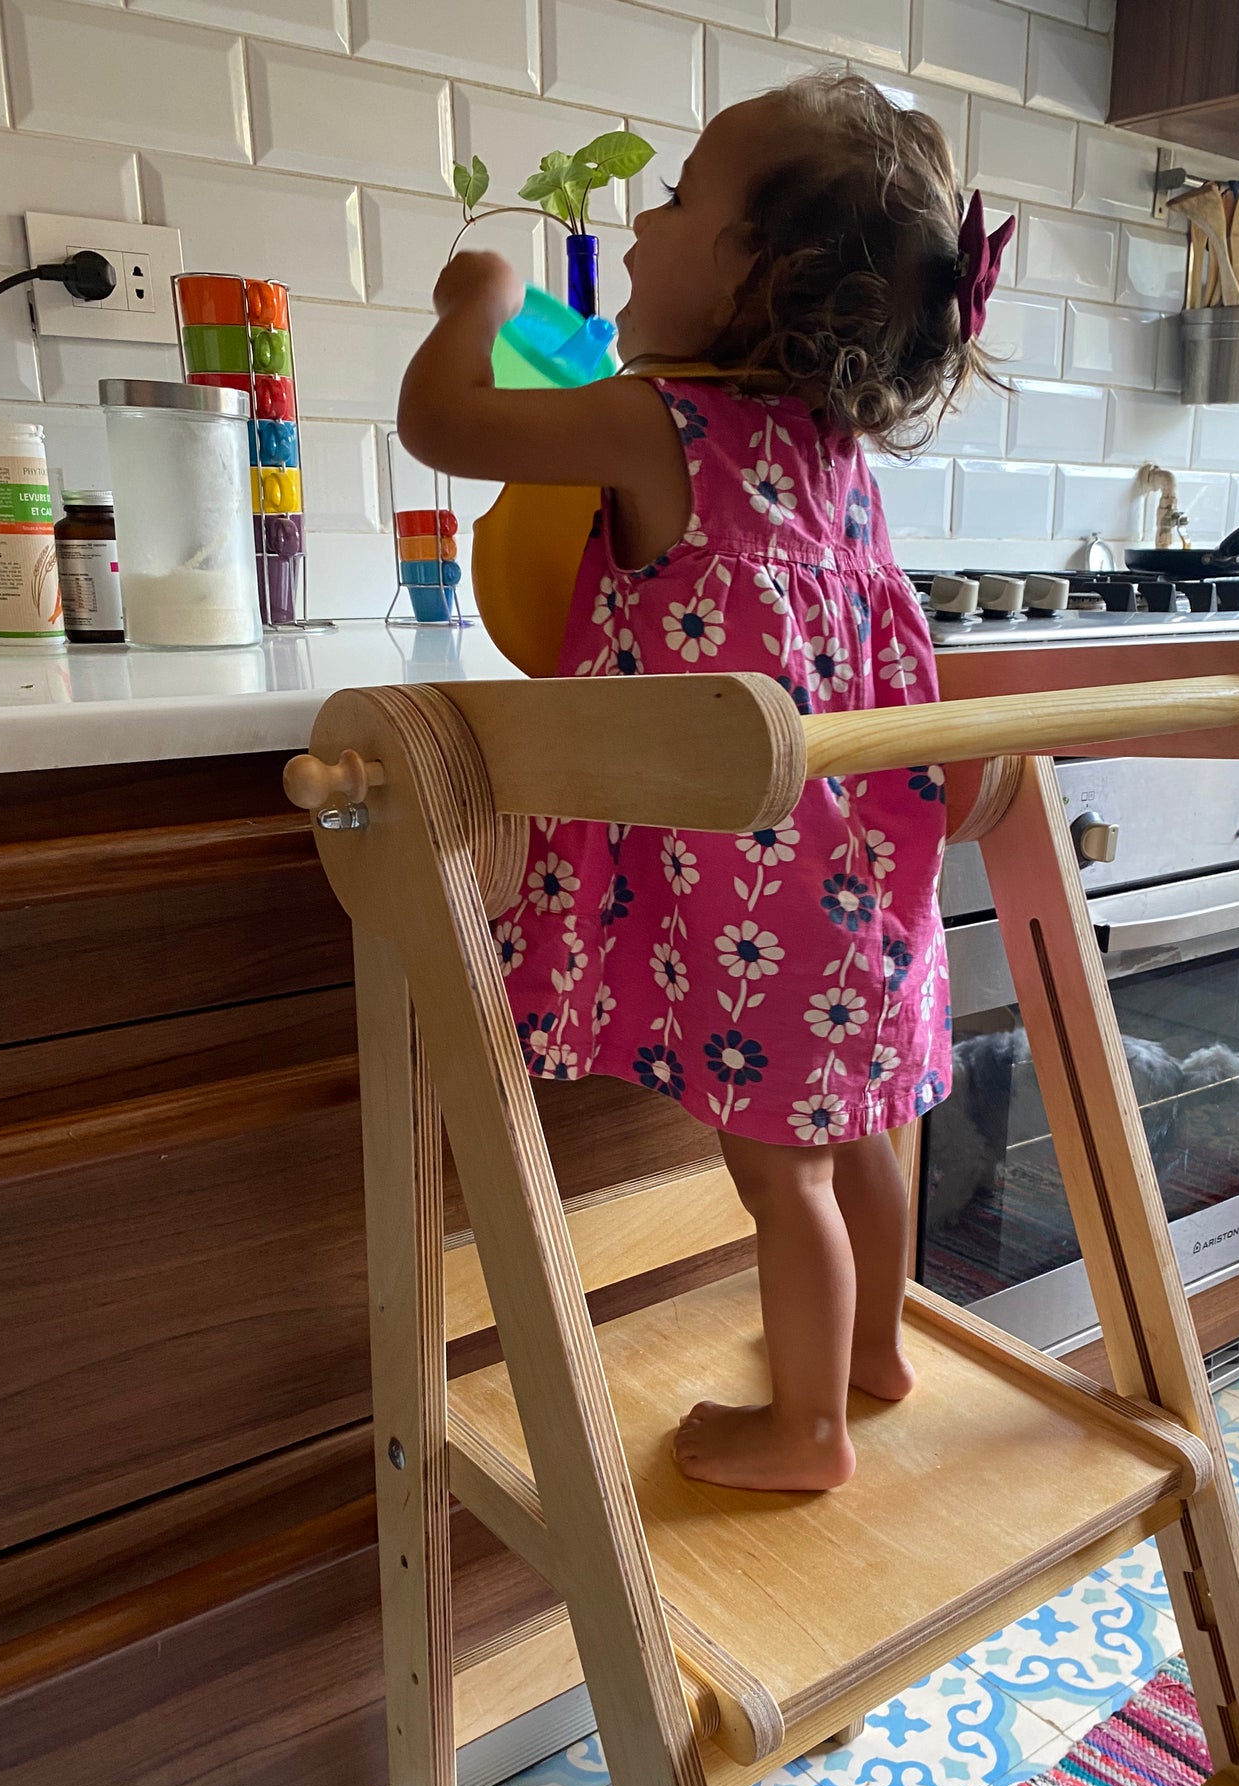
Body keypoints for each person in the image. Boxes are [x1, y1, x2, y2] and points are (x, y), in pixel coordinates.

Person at [399, 70, 1010, 1492]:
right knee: (856, 1129)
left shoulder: (652, 425)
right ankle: (870, 1353)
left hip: (756, 899)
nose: (639, 225)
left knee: (776, 1171)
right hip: (859, 882)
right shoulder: (828, 456)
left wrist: (475, 302)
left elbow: (447, 428)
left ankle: (807, 1430)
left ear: (761, 274)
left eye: (674, 201)